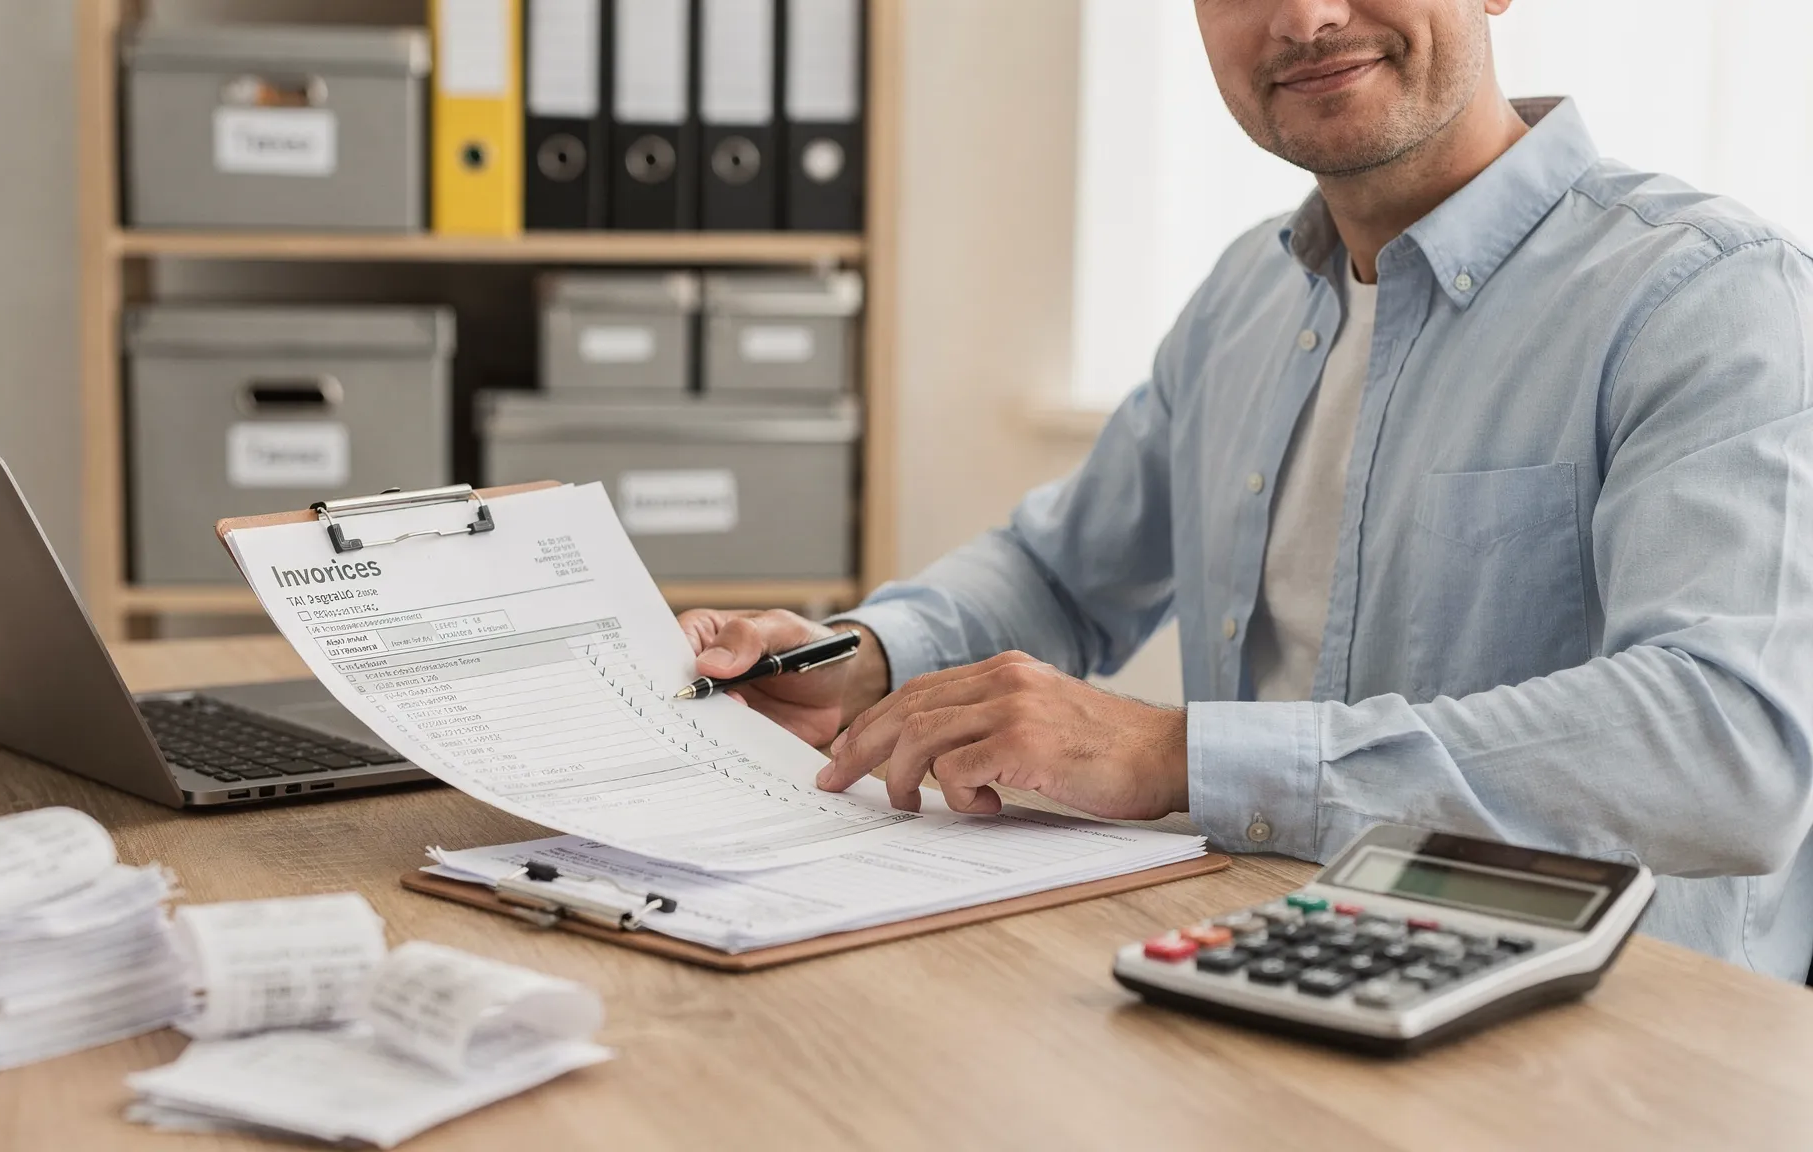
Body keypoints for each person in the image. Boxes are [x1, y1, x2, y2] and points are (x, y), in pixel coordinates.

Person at [677, 0, 1813, 982]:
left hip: (1624, 1042)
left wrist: (1175, 755)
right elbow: (1061, 571)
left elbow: (1730, 746)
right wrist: (863, 657)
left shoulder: (1707, 297)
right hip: (1267, 965)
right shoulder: (1244, 295)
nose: (1304, 17)